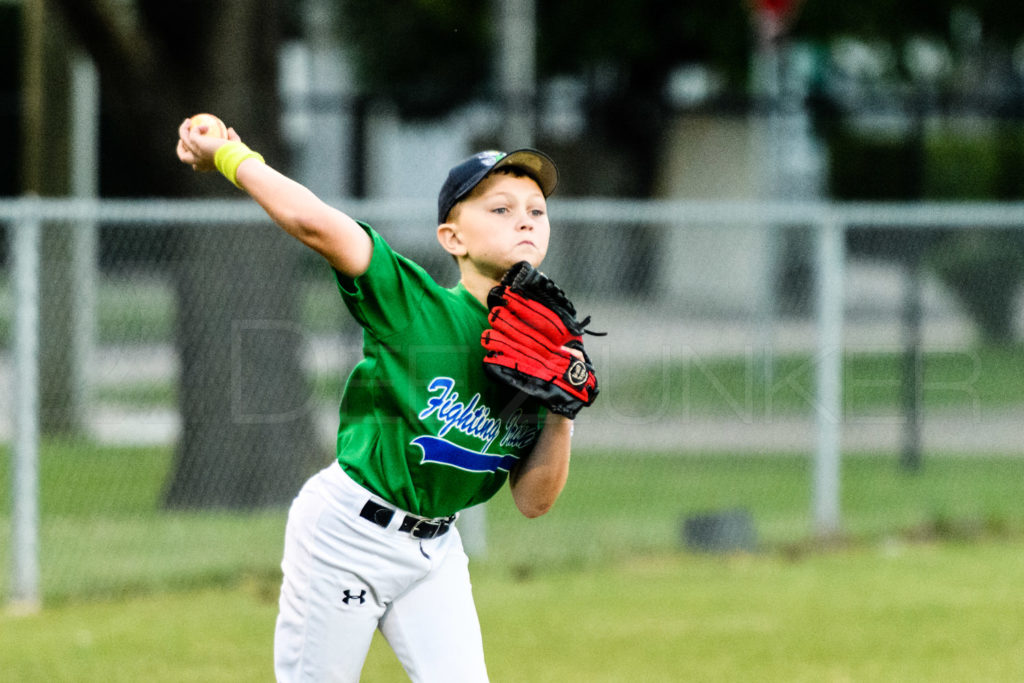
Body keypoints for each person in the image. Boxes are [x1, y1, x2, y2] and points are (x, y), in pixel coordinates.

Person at [176, 117, 587, 682]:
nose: (524, 219)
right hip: (348, 535)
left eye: (536, 211)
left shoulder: (541, 353)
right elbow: (314, 224)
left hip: (437, 547)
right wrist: (229, 153)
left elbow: (533, 502)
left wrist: (563, 416)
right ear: (453, 238)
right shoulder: (411, 302)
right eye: (500, 208)